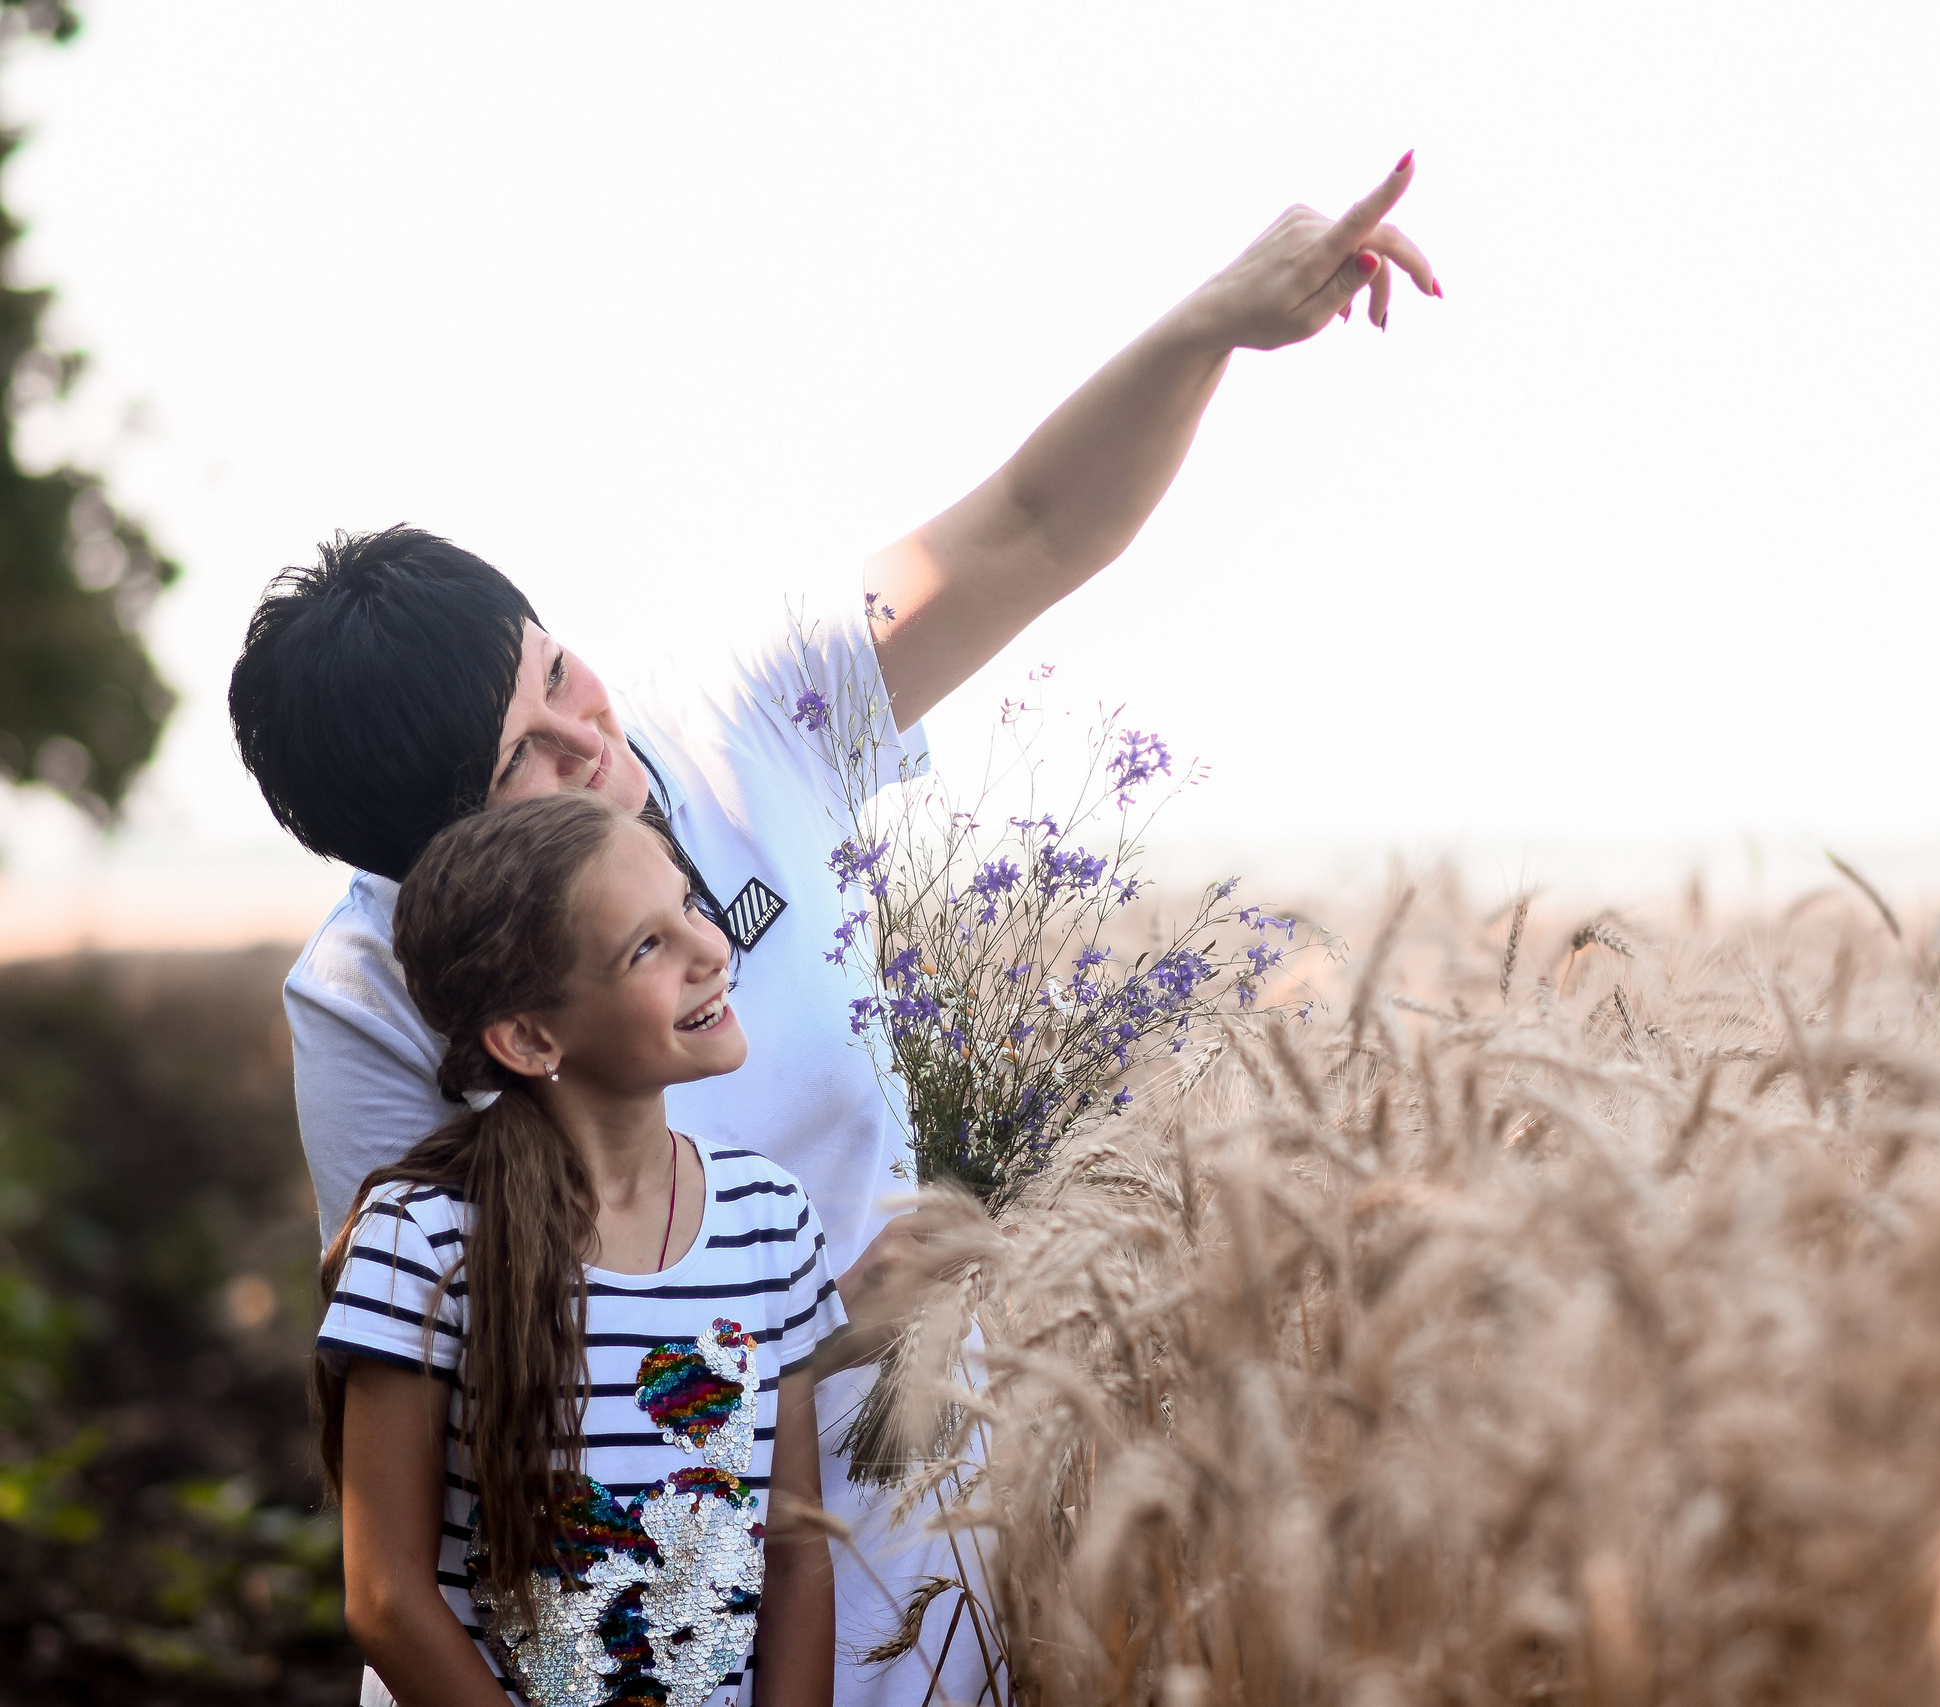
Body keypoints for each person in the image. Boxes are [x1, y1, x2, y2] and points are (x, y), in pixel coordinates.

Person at [233, 155, 1439, 1701]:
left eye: (559, 672)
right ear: (430, 877)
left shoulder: (740, 720)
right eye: (519, 763)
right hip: (578, 1617)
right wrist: (819, 1329)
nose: (587, 745)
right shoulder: (361, 994)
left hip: (897, 1541)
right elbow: (451, 1398)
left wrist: (1212, 322)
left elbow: (1027, 526)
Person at [317, 791, 838, 1707]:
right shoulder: (424, 1238)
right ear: (529, 1037)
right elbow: (387, 1598)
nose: (711, 948)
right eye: (647, 947)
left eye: (689, 905)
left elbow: (794, 1552)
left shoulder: (771, 1216)